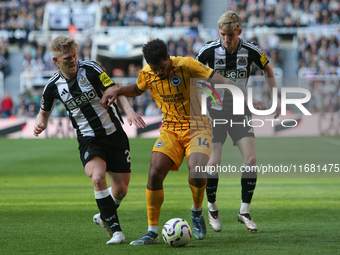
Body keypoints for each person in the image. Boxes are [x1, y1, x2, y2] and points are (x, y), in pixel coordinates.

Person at [101, 38, 236, 245]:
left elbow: (221, 80)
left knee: (197, 172)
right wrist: (118, 90)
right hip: (171, 130)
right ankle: (152, 232)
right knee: (154, 172)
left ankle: (197, 211)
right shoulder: (148, 73)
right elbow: (137, 90)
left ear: (167, 57)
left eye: (161, 67)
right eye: (154, 69)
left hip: (198, 126)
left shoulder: (187, 64)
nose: (158, 72)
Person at [33, 36, 146, 245]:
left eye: (74, 55)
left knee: (121, 190)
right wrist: (41, 123)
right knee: (97, 178)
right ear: (55, 60)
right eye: (67, 58)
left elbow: (115, 91)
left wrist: (129, 111)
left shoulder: (92, 69)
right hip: (88, 139)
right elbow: (43, 112)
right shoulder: (53, 86)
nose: (73, 60)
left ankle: (104, 214)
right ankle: (116, 232)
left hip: (114, 134)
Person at [196, 10, 281, 232]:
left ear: (239, 32)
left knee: (251, 159)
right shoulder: (208, 51)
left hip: (240, 111)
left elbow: (268, 69)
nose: (226, 39)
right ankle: (212, 206)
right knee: (213, 163)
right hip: (214, 112)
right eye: (223, 34)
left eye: (230, 35)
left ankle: (244, 210)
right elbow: (192, 74)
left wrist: (275, 98)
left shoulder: (251, 50)